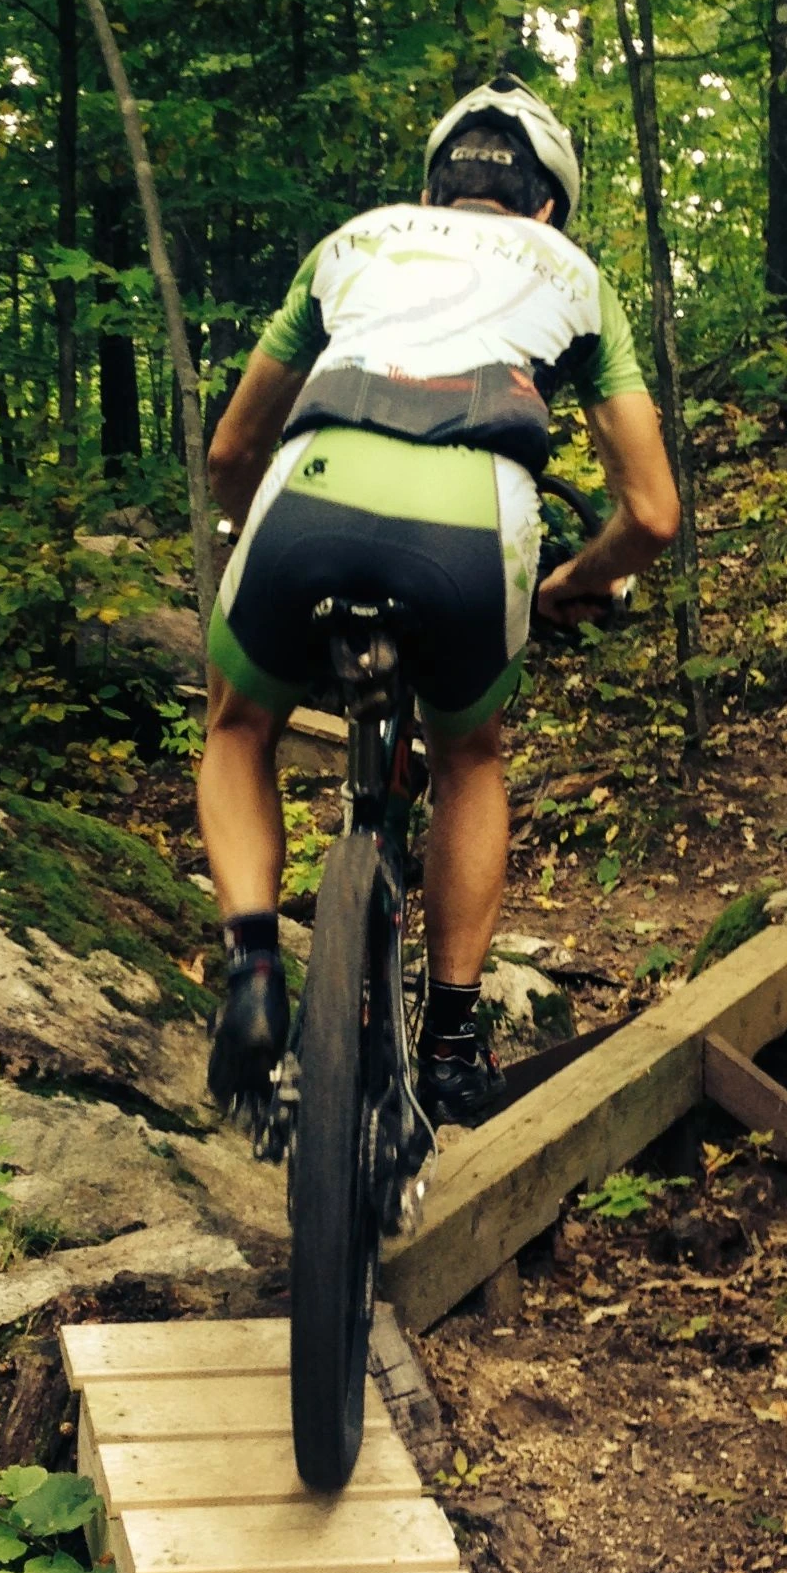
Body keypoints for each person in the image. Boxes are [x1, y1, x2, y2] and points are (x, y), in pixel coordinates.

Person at [196, 74, 681, 1126]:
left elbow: (233, 448)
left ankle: (250, 975)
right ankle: (454, 1039)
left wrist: (256, 538)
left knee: (239, 729)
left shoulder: (353, 242)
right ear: (547, 204)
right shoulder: (572, 274)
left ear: (431, 188)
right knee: (471, 755)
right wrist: (572, 582)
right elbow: (652, 514)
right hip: (471, 526)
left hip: (310, 493)